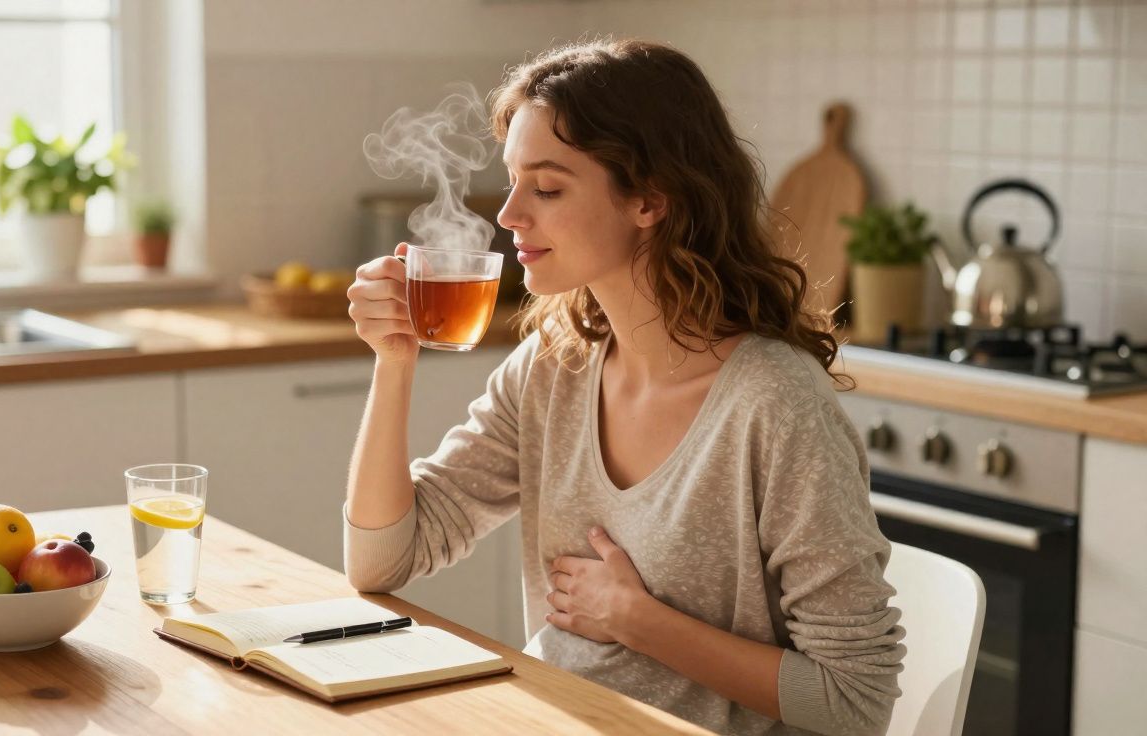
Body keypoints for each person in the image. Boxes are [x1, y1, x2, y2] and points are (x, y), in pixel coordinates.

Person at [342, 38, 905, 736]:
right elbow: (381, 561)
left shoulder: (775, 405)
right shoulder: (552, 368)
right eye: (513, 181)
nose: (509, 215)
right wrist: (393, 361)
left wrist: (638, 620)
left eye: (547, 188)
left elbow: (854, 701)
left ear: (649, 199)